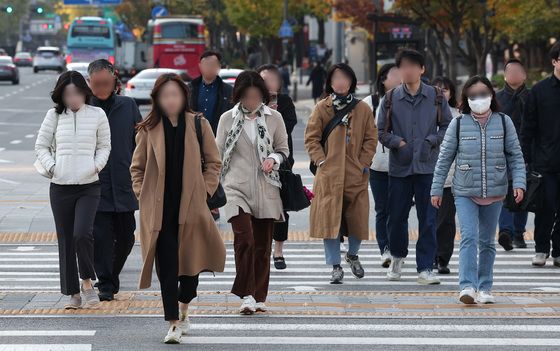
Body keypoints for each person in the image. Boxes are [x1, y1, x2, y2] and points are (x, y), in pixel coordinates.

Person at [131, 73, 226, 343]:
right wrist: (143, 194)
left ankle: (185, 307)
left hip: (191, 208)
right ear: (157, 99)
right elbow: (136, 168)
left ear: (184, 96)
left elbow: (213, 162)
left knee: (190, 270)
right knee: (167, 267)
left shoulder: (198, 124)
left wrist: (205, 191)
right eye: (165, 96)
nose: (170, 100)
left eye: (175, 94)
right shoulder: (148, 129)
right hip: (159, 211)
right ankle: (173, 321)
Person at [431, 75, 526, 304]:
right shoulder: (458, 123)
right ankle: (466, 286)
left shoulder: (504, 122)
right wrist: (436, 188)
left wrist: (520, 183)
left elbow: (515, 155)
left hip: (495, 191)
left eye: (483, 94)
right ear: (466, 99)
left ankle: (484, 287)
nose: (478, 99)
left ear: (491, 95)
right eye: (473, 96)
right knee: (469, 238)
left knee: (487, 242)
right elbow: (444, 158)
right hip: (464, 190)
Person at [35, 71, 111, 309]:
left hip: (89, 186)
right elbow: (41, 146)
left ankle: (87, 282)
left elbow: (104, 146)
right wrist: (53, 167)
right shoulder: (54, 115)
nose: (73, 99)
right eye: (68, 95)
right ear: (61, 96)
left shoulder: (97, 114)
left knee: (82, 233)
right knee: (67, 240)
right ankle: (73, 294)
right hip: (60, 187)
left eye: (77, 93)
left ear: (84, 92)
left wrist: (96, 166)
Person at [216, 70, 289, 315]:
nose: (251, 101)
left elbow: (283, 149)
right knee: (244, 240)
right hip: (235, 188)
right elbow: (217, 156)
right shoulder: (228, 119)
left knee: (262, 246)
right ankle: (246, 294)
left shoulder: (274, 118)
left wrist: (273, 158)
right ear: (238, 96)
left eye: (256, 96)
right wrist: (212, 191)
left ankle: (259, 296)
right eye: (246, 96)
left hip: (267, 187)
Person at [377, 49, 452, 285]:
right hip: (399, 168)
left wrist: (431, 141)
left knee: (428, 218)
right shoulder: (389, 99)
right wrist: (396, 142)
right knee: (396, 217)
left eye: (412, 66)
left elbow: (447, 126)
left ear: (422, 69)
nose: (407, 70)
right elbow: (380, 132)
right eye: (403, 66)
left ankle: (425, 267)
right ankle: (398, 257)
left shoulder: (436, 96)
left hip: (428, 168)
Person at [305, 63, 377, 284]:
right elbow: (311, 138)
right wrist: (322, 161)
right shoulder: (321, 108)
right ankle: (335, 266)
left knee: (357, 220)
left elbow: (370, 138)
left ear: (352, 81)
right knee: (330, 221)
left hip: (355, 175)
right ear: (330, 82)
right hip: (328, 176)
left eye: (345, 78)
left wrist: (363, 163)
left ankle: (353, 255)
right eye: (336, 78)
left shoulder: (362, 109)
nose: (341, 82)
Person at [87, 59, 142, 302]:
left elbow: (140, 141)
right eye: (96, 83)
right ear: (89, 83)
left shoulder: (128, 106)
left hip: (124, 181)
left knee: (127, 235)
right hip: (95, 183)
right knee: (100, 237)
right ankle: (106, 283)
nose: (101, 88)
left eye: (105, 83)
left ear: (114, 80)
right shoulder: (84, 108)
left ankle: (112, 274)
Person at [522, 42, 560, 267]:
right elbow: (528, 128)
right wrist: (527, 160)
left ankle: (558, 251)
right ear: (554, 61)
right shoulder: (540, 91)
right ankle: (541, 249)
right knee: (546, 208)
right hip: (545, 161)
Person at [257, 64, 298, 270]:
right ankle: (262, 247)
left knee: (281, 208)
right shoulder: (251, 102)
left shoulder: (285, 102)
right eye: (264, 79)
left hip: (281, 162)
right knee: (259, 207)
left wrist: (274, 112)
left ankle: (278, 250)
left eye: (272, 79)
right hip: (256, 162)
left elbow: (288, 126)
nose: (269, 83)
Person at [362, 63, 402, 268]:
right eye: (394, 74)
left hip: (403, 165)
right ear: (383, 80)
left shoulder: (408, 100)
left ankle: (397, 248)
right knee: (382, 209)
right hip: (378, 164)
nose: (398, 77)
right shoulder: (371, 102)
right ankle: (384, 249)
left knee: (399, 210)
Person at [188, 50, 233, 221]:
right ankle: (200, 202)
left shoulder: (227, 90)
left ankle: (213, 202)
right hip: (194, 136)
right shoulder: (190, 88)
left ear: (219, 67)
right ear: (200, 66)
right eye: (206, 64)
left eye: (213, 65)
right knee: (195, 169)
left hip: (217, 136)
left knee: (213, 168)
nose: (209, 68)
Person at [495, 59, 530, 252]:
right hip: (501, 152)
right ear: (505, 75)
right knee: (505, 192)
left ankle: (519, 233)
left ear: (524, 75)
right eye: (511, 71)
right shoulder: (497, 98)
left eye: (519, 70)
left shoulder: (532, 97)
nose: (515, 74)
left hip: (526, 152)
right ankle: (505, 233)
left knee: (522, 193)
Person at [431, 76, 461, 274]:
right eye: (438, 88)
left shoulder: (460, 115)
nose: (442, 92)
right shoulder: (424, 113)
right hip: (427, 174)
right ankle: (429, 256)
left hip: (451, 177)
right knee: (429, 219)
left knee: (446, 220)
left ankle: (443, 258)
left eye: (446, 89)